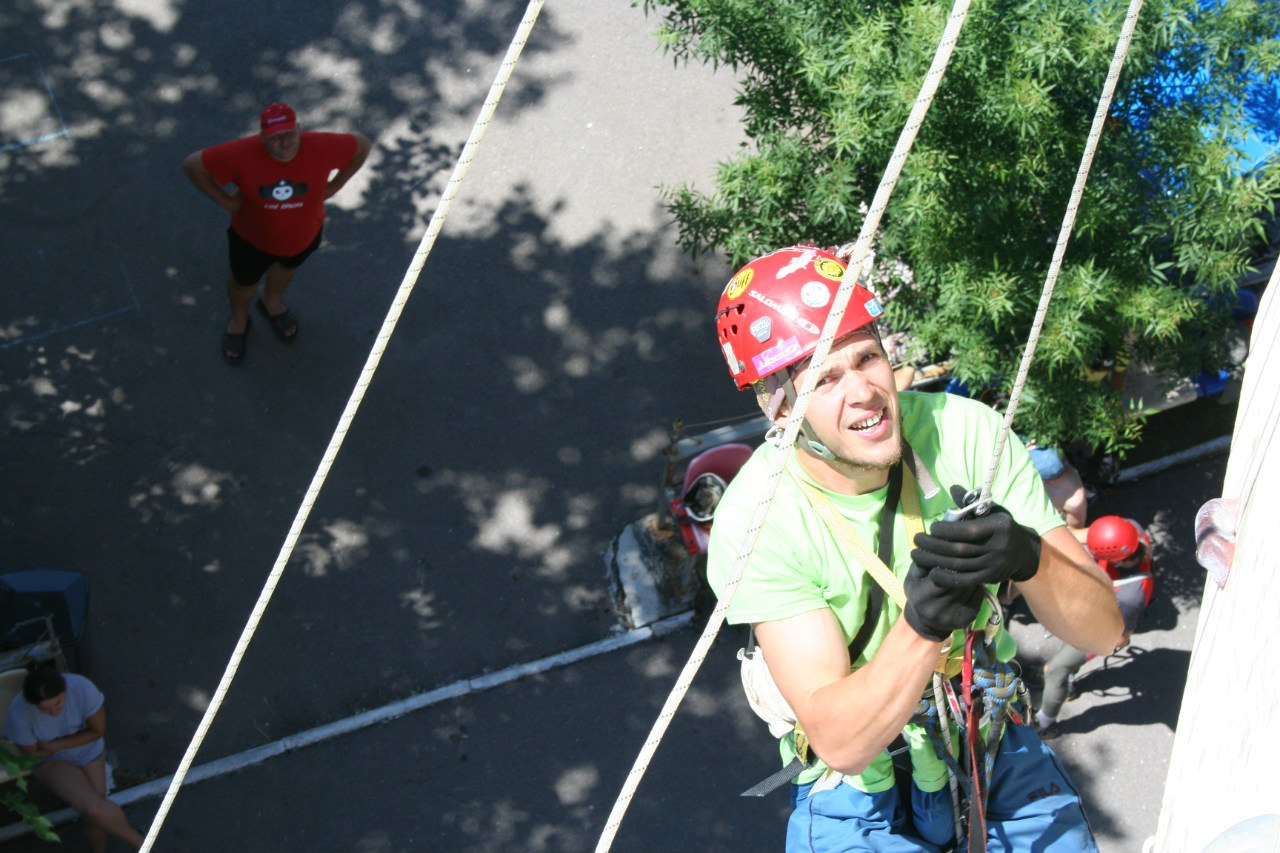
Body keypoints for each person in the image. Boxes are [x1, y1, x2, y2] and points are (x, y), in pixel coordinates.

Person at [706, 245, 1124, 851]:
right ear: (782, 411)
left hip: (985, 736)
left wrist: (1028, 556)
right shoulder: (758, 521)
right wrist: (921, 624)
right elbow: (843, 744)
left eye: (868, 358)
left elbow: (1104, 632)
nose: (864, 392)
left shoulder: (965, 433)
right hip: (860, 787)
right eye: (825, 378)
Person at [183, 102, 372, 363]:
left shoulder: (323, 146)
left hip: (302, 236)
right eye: (275, 137)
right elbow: (193, 165)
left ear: (299, 128)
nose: (285, 143)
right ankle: (239, 320)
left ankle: (271, 302)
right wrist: (225, 202)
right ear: (262, 138)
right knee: (243, 283)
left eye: (289, 134)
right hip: (250, 240)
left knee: (285, 270)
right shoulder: (241, 154)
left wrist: (336, 185)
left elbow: (362, 145)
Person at [1035, 515, 1154, 739]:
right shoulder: (1130, 530)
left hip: (1101, 631)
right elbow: (1083, 535)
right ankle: (1068, 683)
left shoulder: (1131, 595)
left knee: (1054, 669)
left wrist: (1080, 634)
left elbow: (1120, 638)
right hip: (1092, 611)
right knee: (1066, 664)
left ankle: (1044, 722)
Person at [3, 666, 142, 852]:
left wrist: (55, 745)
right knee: (94, 809)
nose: (54, 712)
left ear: (65, 690)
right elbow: (31, 754)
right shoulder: (19, 714)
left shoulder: (82, 688)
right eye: (45, 709)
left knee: (94, 814)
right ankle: (141, 843)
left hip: (84, 752)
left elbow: (98, 730)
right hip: (51, 761)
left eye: (58, 703)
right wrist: (56, 749)